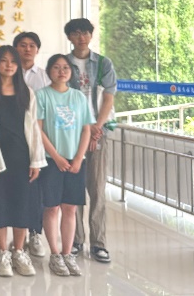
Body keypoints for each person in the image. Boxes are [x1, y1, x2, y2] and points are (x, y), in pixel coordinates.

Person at [0, 46, 46, 278]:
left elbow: (34, 128)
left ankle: (18, 251)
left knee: (22, 203)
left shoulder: (26, 92)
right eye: (4, 61)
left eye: (13, 61)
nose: (8, 65)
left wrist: (36, 160)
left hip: (22, 156)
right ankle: (2, 252)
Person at [64, 18, 117, 263]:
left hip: (98, 132)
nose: (81, 37)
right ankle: (76, 240)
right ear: (69, 37)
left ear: (91, 35)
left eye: (85, 32)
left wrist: (97, 128)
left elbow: (109, 97)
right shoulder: (63, 63)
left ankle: (98, 243)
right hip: (71, 134)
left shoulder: (104, 63)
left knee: (97, 189)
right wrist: (83, 130)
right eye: (76, 33)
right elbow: (62, 98)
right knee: (73, 189)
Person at [37, 54, 93, 277]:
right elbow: (38, 129)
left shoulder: (78, 97)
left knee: (70, 208)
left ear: (71, 72)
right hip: (51, 161)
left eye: (65, 68)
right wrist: (57, 157)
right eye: (56, 67)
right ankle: (55, 254)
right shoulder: (42, 95)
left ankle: (68, 253)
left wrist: (78, 158)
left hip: (76, 161)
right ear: (49, 71)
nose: (61, 72)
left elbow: (86, 129)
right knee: (51, 207)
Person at [13, 31, 50, 258]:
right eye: (22, 45)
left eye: (31, 45)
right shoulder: (8, 74)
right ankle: (18, 236)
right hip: (13, 142)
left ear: (37, 50)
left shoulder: (45, 77)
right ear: (15, 48)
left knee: (36, 191)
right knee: (17, 191)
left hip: (37, 140)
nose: (27, 49)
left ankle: (35, 233)